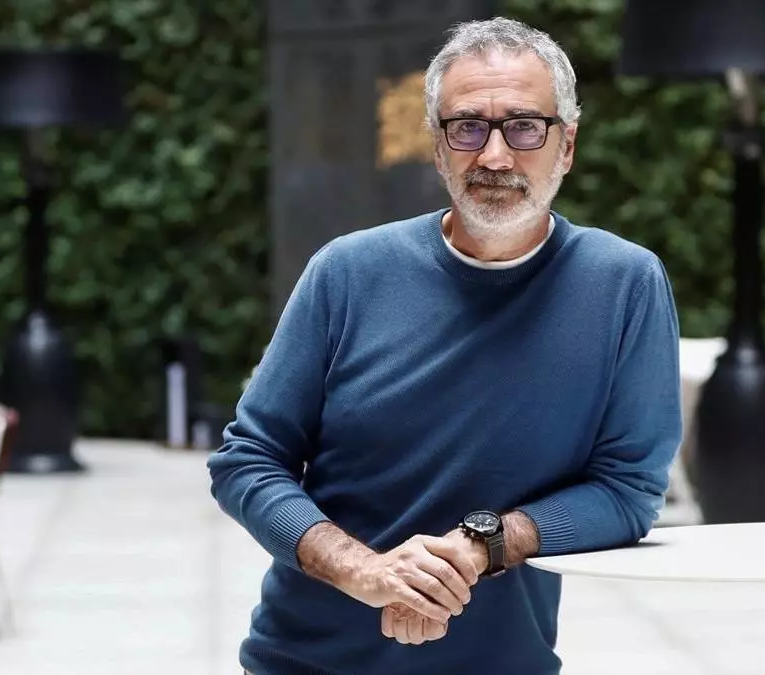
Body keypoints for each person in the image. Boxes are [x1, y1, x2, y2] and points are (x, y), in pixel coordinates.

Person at [208, 16, 682, 675]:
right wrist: (363, 570)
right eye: (467, 127)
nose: (495, 156)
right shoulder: (347, 273)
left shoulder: (625, 285)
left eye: (524, 127)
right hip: (307, 661)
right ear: (437, 147)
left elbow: (627, 489)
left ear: (567, 145)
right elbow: (248, 460)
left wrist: (483, 545)